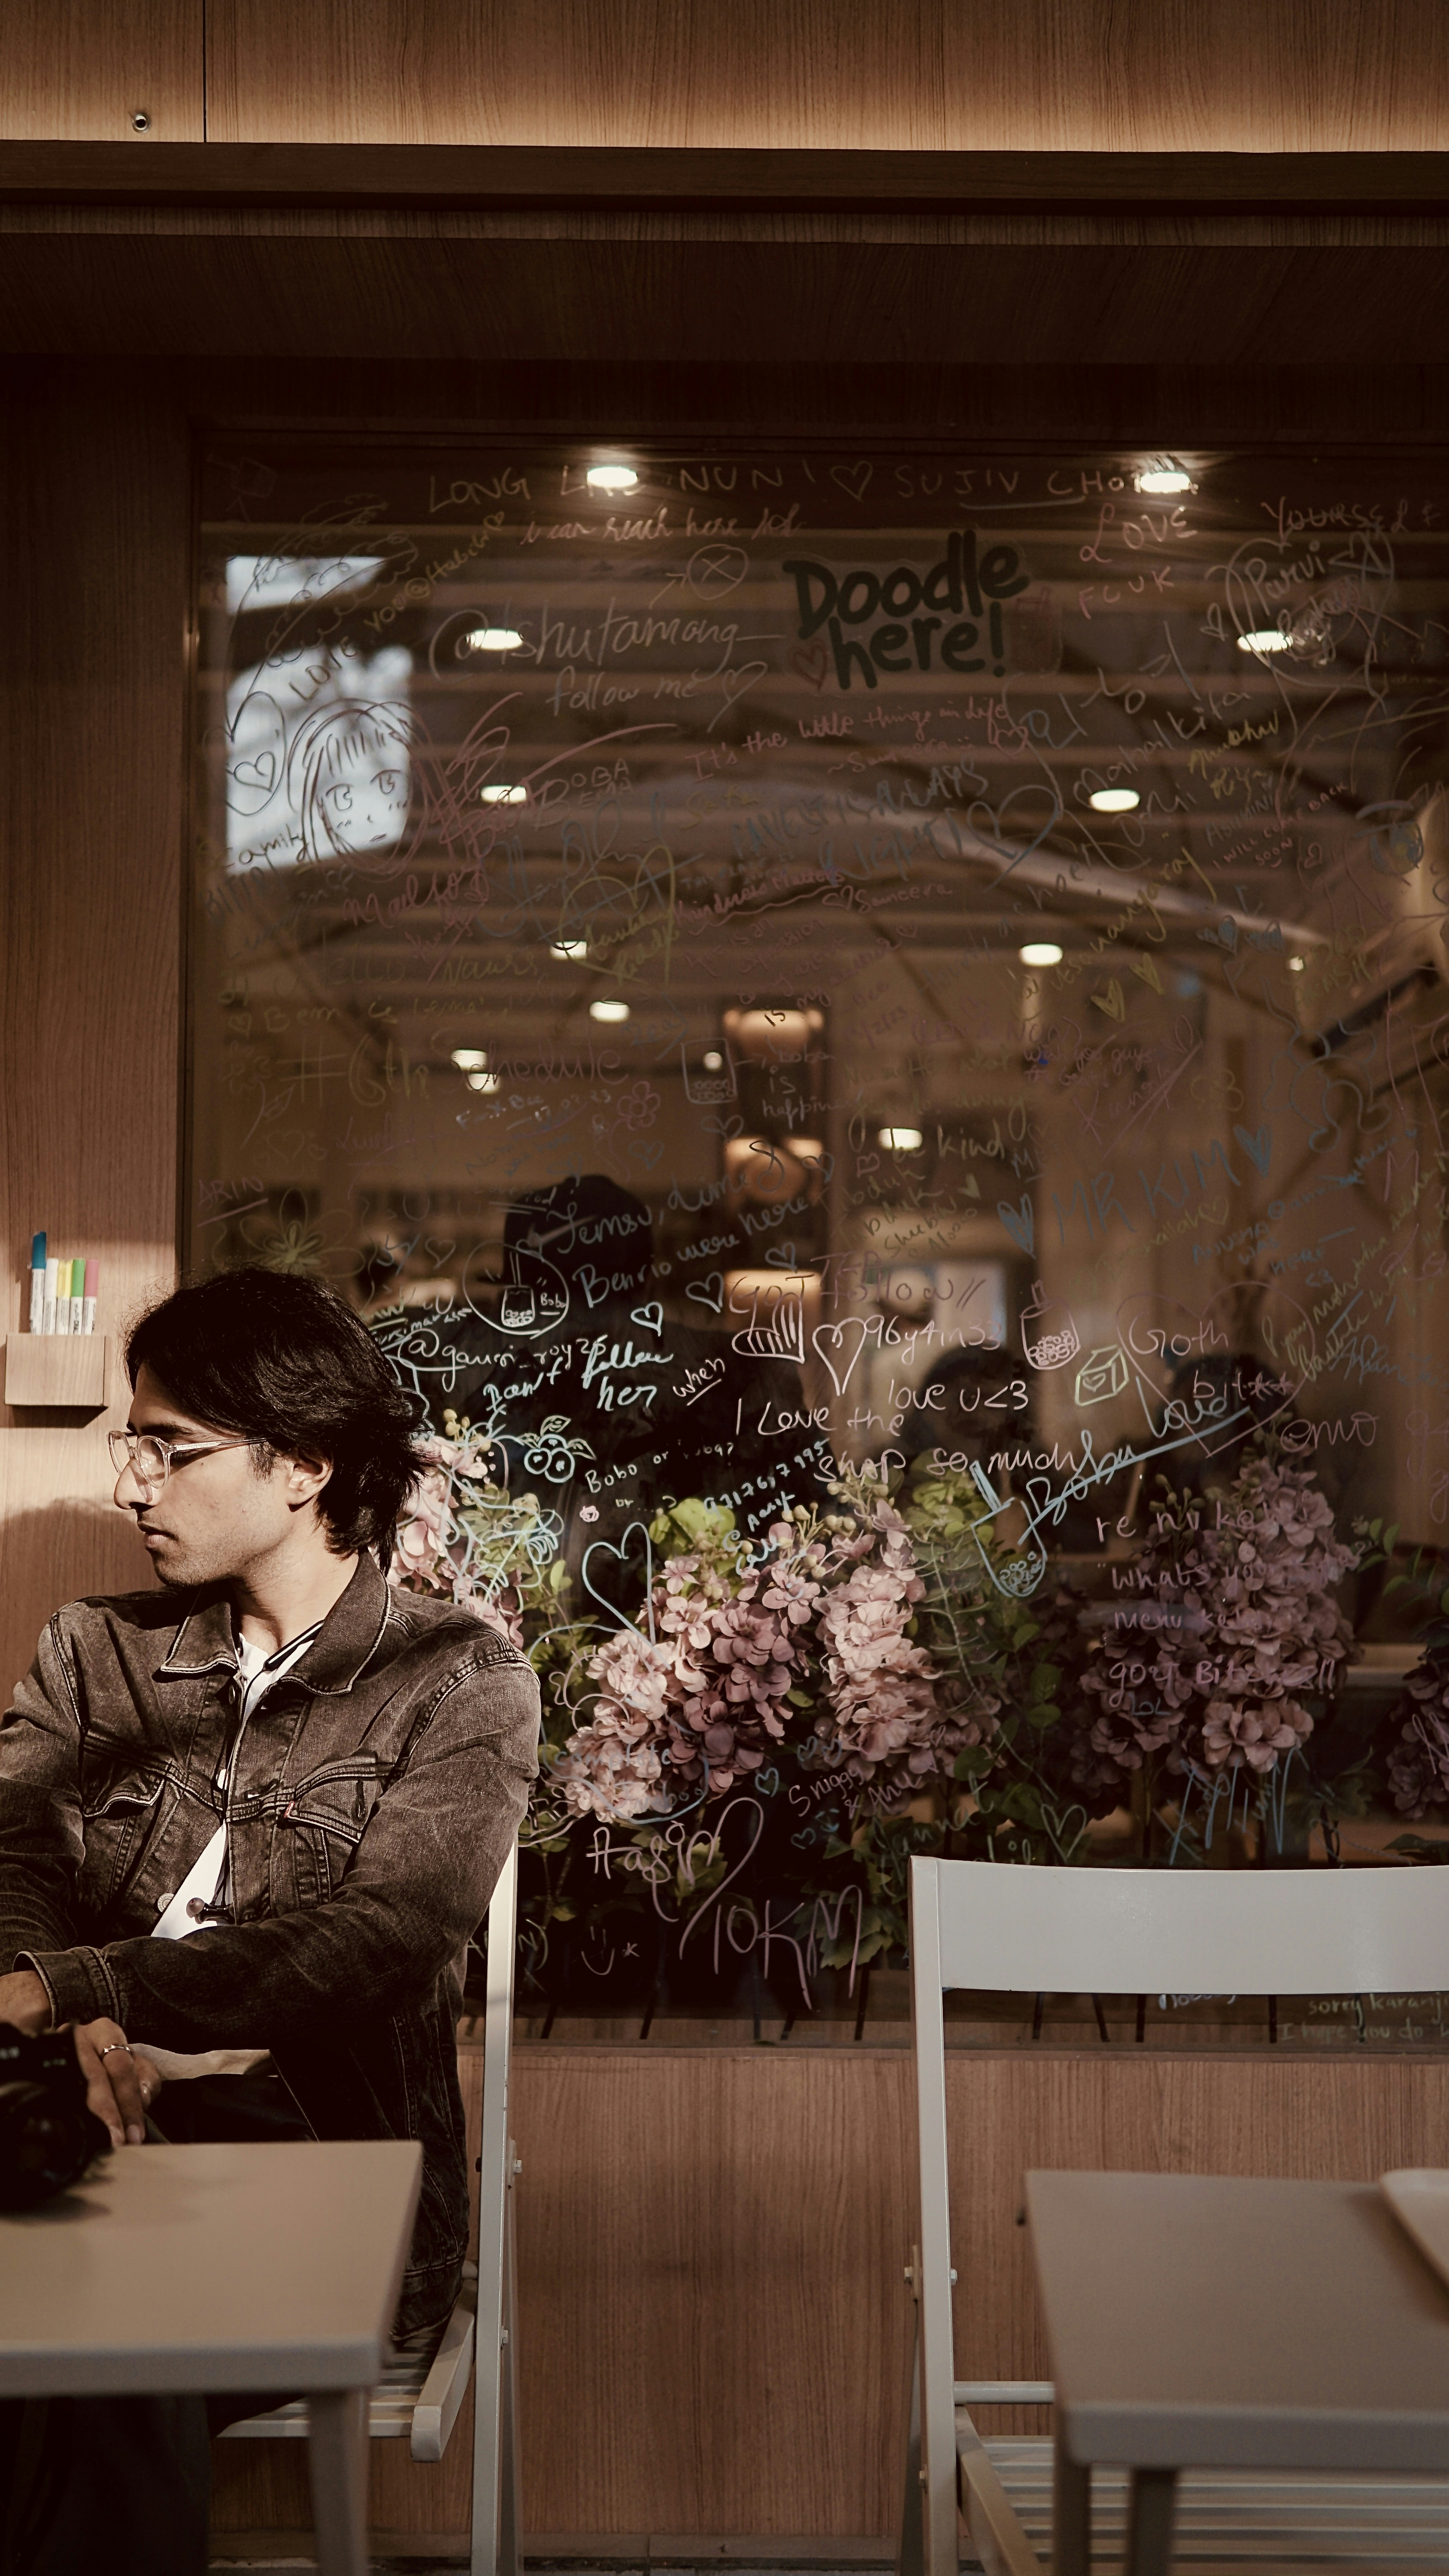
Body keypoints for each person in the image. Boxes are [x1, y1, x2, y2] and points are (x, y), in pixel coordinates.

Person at [0, 1266, 540, 2574]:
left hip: (320, 2153)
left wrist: (83, 1989)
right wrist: (49, 1998)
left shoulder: (458, 1677)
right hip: (66, 2122)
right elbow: (10, 1859)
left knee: (103, 2345)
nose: (132, 1483)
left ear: (301, 1463)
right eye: (132, 1445)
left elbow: (378, 1943)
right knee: (91, 2334)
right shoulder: (96, 1653)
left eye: (167, 1448)